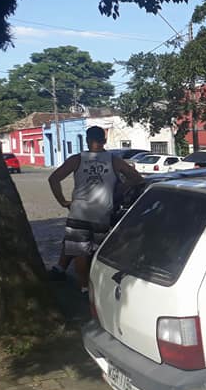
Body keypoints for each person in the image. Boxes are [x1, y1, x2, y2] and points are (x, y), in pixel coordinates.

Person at [48, 126, 143, 293]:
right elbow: (136, 178)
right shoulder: (114, 161)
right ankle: (97, 285)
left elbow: (54, 178)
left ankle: (84, 287)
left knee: (79, 252)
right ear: (104, 140)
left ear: (86, 140)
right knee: (97, 253)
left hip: (79, 212)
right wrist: (119, 188)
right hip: (102, 213)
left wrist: (63, 201)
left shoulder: (76, 159)